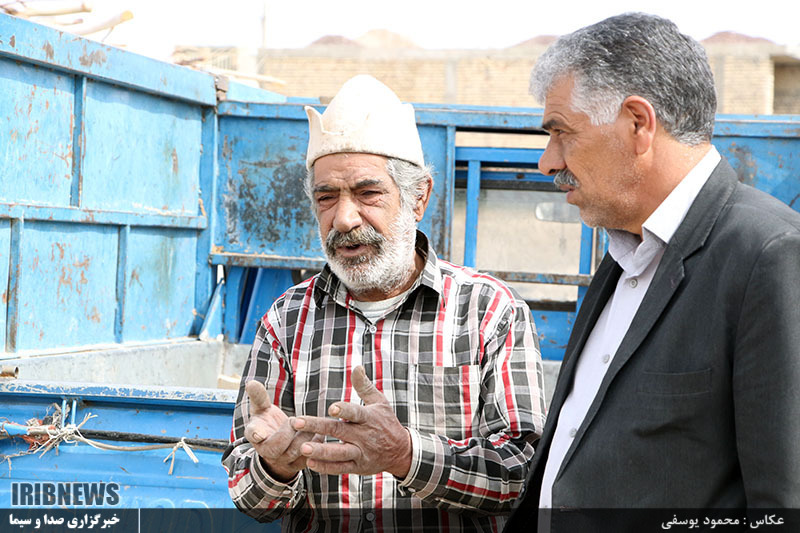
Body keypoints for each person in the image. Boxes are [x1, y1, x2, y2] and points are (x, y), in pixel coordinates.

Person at [505, 12, 800, 532]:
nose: (547, 162)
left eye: (561, 133)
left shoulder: (769, 255)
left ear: (638, 123)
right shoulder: (628, 251)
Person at [222, 74, 547, 532]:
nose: (344, 218)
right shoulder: (286, 320)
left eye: (367, 193)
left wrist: (405, 455)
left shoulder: (489, 311)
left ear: (419, 198)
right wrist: (276, 466)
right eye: (326, 197)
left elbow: (524, 476)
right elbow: (246, 492)